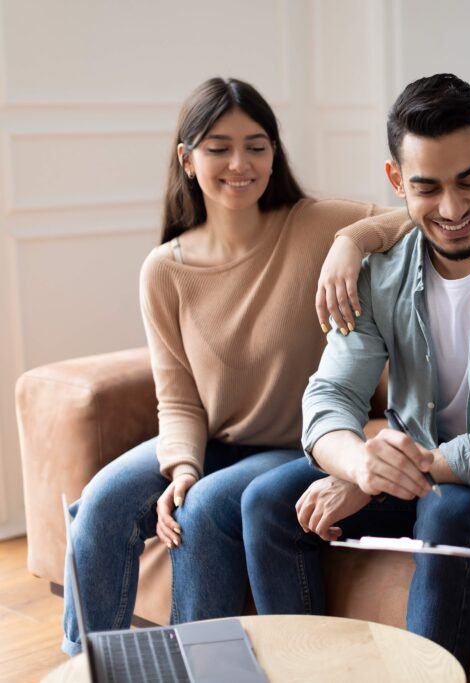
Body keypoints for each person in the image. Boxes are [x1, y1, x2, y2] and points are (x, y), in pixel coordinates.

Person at [242, 73, 470, 670]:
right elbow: (331, 394)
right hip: (424, 470)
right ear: (396, 182)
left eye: (469, 180)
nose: (452, 209)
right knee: (267, 502)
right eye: (427, 188)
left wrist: (376, 480)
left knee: (445, 510)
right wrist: (358, 462)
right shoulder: (376, 271)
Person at [62, 76, 410, 655]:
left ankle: (202, 669)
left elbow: (416, 215)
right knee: (100, 504)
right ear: (188, 159)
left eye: (256, 145)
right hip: (217, 439)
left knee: (204, 511)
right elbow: (177, 398)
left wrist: (351, 241)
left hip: (296, 445)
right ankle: (86, 665)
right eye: (218, 147)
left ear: (275, 153)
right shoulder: (164, 270)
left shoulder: (313, 226)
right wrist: (181, 468)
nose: (239, 163)